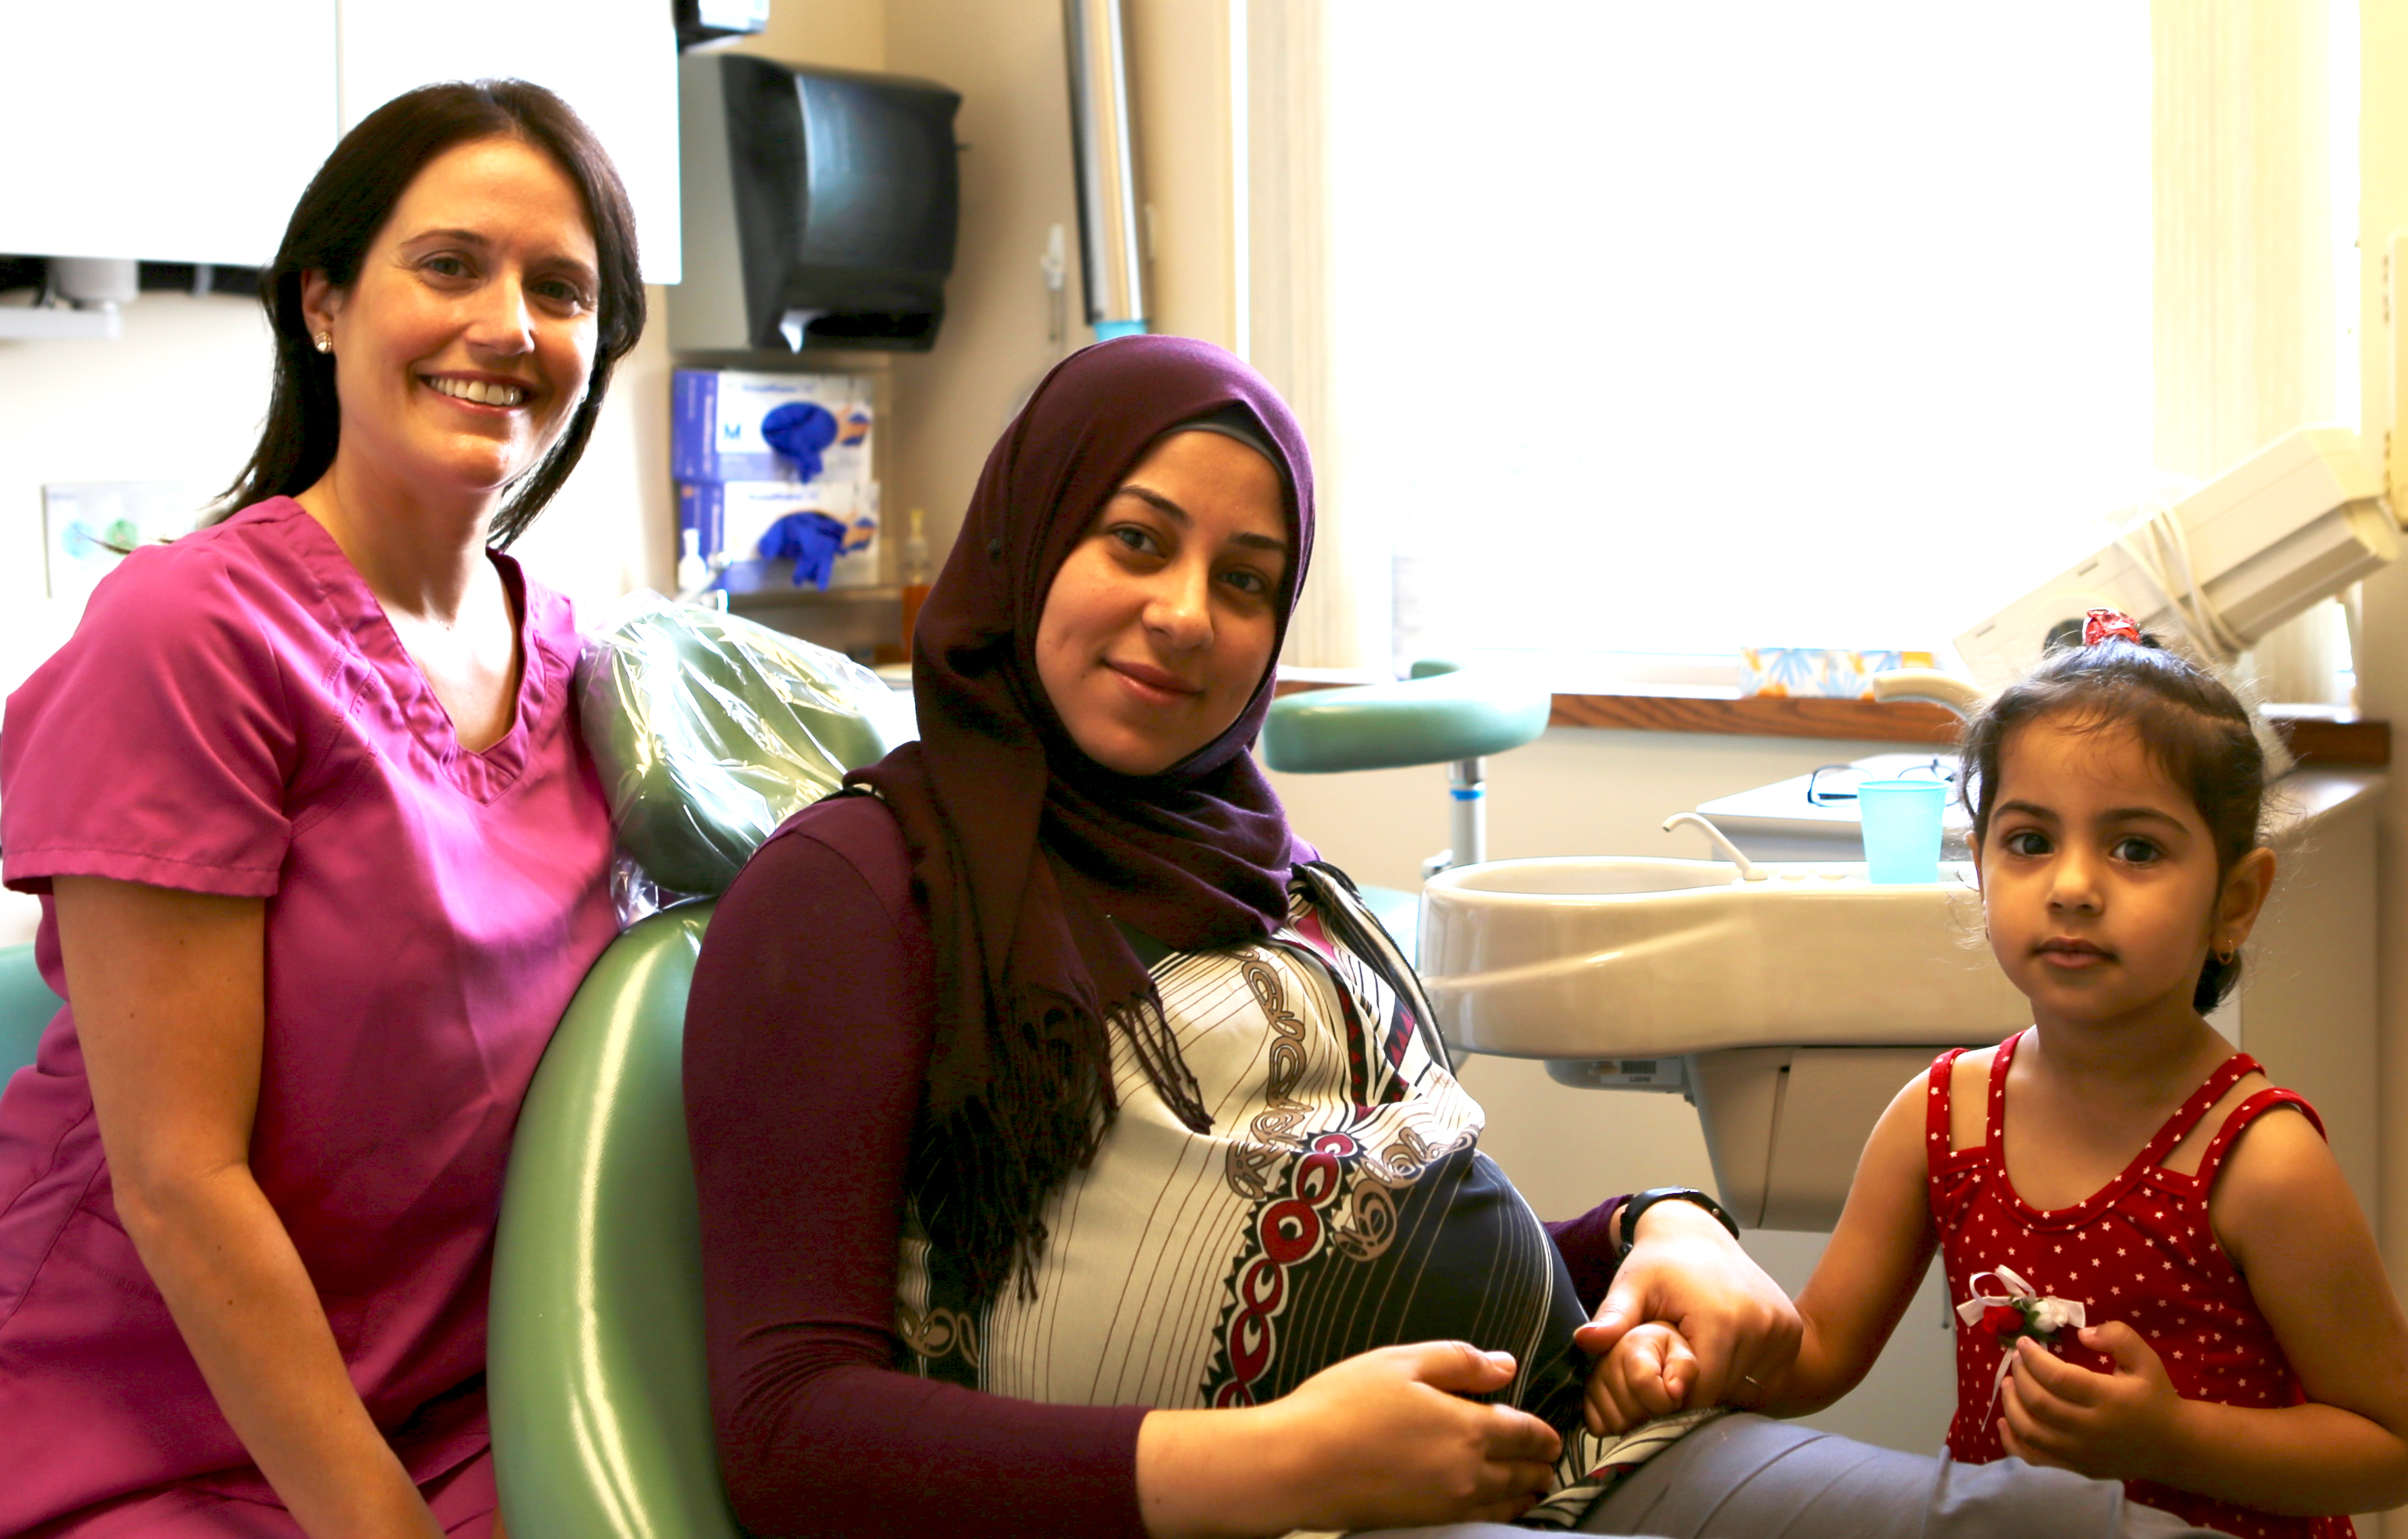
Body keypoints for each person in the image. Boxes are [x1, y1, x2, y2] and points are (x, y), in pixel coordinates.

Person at [682, 337, 2223, 1538]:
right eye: (1134, 543)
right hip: (1250, 1520)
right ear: (1027, 546)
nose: (1184, 616)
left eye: (1245, 582)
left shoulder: (1259, 873)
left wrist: (1647, 1236)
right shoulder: (856, 893)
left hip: (1556, 1446)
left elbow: (1375, 1219)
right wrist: (1273, 1463)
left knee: (2059, 1526)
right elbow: (786, 1436)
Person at [0, 80, 644, 1538]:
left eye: (562, 290)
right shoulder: (190, 637)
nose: (509, 327)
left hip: (471, 1395)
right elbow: (178, 1185)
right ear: (324, 303)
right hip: (153, 1409)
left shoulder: (587, 661)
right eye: (449, 265)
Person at [1633, 613, 2408, 1536]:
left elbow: (2386, 1445)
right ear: (1982, 863)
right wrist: (1689, 1361)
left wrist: (2171, 1440)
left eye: (2136, 849)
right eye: (2031, 841)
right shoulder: (1943, 1117)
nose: (2073, 884)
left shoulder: (2257, 1160)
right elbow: (1817, 1356)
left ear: (2234, 901)